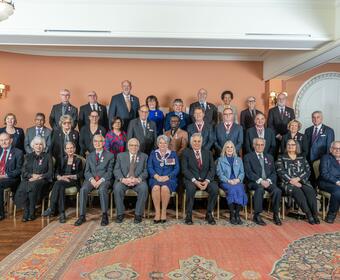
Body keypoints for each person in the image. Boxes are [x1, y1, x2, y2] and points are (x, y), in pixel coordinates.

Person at [74, 134, 115, 226]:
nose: (97, 143)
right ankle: (82, 216)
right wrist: (92, 180)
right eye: (95, 141)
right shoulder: (89, 156)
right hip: (91, 179)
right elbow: (86, 172)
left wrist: (101, 181)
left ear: (103, 143)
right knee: (83, 189)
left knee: (102, 189)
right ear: (93, 143)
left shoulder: (110, 155)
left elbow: (110, 172)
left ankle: (104, 215)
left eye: (100, 141)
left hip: (104, 180)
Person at [276, 139, 319, 224]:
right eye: (288, 144)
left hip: (302, 181)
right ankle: (308, 214)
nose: (290, 146)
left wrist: (298, 179)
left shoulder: (302, 157)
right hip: (287, 183)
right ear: (286, 146)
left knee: (310, 191)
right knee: (297, 191)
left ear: (296, 146)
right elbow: (280, 171)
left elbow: (308, 171)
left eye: (293, 145)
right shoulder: (281, 157)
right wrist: (292, 181)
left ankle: (315, 214)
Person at [181, 133, 218, 225]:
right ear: (191, 142)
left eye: (198, 141)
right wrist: (195, 181)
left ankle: (209, 214)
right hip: (191, 180)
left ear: (202, 142)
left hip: (206, 179)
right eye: (194, 141)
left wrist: (207, 181)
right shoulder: (186, 153)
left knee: (214, 188)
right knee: (190, 189)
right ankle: (189, 215)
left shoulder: (208, 153)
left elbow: (212, 169)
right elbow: (184, 170)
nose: (197, 143)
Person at [244, 138, 282, 226]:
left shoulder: (269, 157)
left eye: (262, 145)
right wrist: (261, 181)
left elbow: (273, 172)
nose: (260, 147)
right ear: (254, 145)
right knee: (260, 189)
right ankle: (257, 215)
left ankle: (275, 214)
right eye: (257, 144)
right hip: (254, 182)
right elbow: (249, 172)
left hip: (268, 181)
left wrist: (268, 180)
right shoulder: (248, 157)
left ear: (264, 146)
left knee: (277, 191)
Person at [43, 142, 83, 223]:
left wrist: (70, 176)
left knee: (58, 184)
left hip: (73, 181)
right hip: (62, 180)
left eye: (71, 148)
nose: (70, 150)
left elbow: (81, 174)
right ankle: (62, 213)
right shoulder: (61, 159)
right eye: (68, 148)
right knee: (60, 186)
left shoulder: (78, 160)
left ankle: (52, 208)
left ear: (74, 149)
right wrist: (60, 177)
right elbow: (56, 172)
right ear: (65, 150)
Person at [15, 136, 53, 222]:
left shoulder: (47, 156)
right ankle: (26, 212)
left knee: (33, 186)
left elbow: (50, 173)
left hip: (43, 180)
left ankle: (31, 213)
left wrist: (39, 177)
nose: (38, 146)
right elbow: (23, 172)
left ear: (43, 146)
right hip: (30, 179)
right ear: (33, 145)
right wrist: (32, 175)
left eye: (40, 144)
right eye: (36, 144)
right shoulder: (28, 156)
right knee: (24, 185)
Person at [113, 138, 148, 224]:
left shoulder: (144, 156)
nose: (133, 147)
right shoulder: (120, 156)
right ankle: (120, 214)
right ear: (128, 146)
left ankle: (138, 214)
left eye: (136, 145)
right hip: (124, 180)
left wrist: (138, 179)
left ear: (139, 147)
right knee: (117, 188)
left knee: (144, 188)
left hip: (137, 180)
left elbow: (146, 171)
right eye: (131, 145)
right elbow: (116, 170)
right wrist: (123, 179)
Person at [147, 135, 180, 223]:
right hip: (155, 178)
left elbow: (177, 168)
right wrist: (156, 176)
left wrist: (168, 176)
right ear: (158, 144)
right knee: (156, 188)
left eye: (165, 143)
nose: (162, 145)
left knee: (165, 188)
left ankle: (164, 211)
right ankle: (157, 212)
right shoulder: (153, 153)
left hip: (169, 179)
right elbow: (150, 167)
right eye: (160, 143)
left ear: (168, 144)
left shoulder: (173, 154)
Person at [216, 141, 247, 225]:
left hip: (237, 181)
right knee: (232, 189)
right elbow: (220, 174)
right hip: (226, 181)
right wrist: (228, 180)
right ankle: (232, 215)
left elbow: (242, 172)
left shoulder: (239, 159)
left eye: (231, 147)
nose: (229, 149)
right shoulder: (220, 160)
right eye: (227, 147)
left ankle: (237, 214)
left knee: (240, 188)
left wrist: (238, 180)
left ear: (234, 149)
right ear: (224, 149)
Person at [303, 111, 334, 186]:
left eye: (318, 117)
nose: (315, 119)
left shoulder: (329, 131)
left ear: (322, 118)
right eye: (313, 117)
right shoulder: (307, 130)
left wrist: (325, 161)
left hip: (320, 161)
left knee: (319, 182)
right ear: (311, 119)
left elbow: (329, 149)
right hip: (308, 161)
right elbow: (305, 146)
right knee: (309, 182)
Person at [0, 132, 24, 220]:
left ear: (11, 140)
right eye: (1, 140)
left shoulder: (18, 152)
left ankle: (1, 213)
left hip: (12, 179)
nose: (3, 142)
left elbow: (19, 170)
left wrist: (4, 176)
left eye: (5, 140)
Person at [319, 141, 340, 223]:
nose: (338, 150)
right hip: (326, 182)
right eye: (335, 148)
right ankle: (331, 214)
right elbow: (324, 173)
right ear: (331, 149)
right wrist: (336, 181)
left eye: (339, 148)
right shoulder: (325, 158)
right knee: (338, 191)